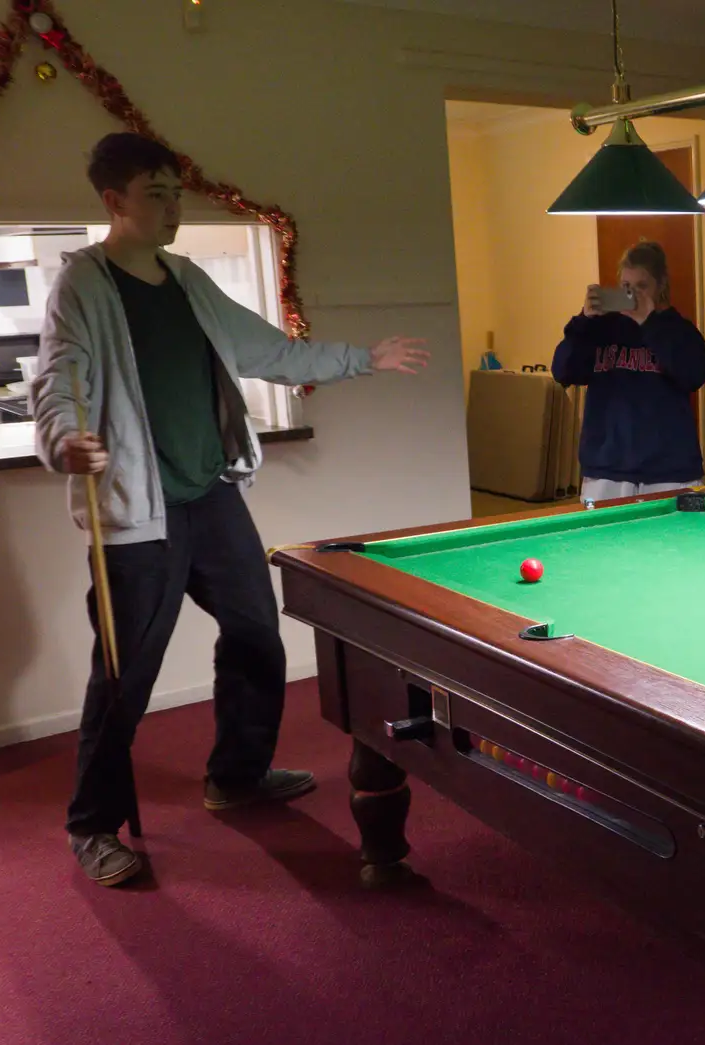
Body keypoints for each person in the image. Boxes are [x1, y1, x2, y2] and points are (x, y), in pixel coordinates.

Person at [33, 131, 431, 887]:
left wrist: (363, 359)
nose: (173, 207)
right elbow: (58, 381)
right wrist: (64, 442)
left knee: (256, 635)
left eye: (176, 193)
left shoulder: (185, 281)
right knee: (124, 676)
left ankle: (236, 775)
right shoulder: (82, 287)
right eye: (156, 193)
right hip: (137, 513)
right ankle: (93, 826)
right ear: (113, 201)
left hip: (211, 498)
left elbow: (267, 351)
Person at [552, 240, 705, 501]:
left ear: (660, 286)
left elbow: (695, 372)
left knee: (677, 542)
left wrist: (649, 322)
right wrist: (584, 320)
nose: (634, 295)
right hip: (607, 471)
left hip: (670, 471)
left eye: (642, 287)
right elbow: (563, 372)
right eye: (627, 287)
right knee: (604, 541)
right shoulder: (600, 328)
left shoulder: (677, 329)